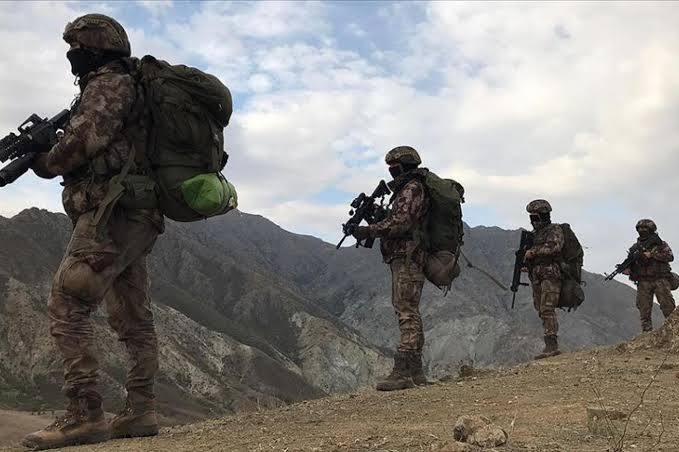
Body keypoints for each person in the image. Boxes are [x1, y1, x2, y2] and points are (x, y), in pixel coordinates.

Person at [23, 14, 163, 450]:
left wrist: (41, 158)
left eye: (77, 48)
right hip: (134, 214)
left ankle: (85, 415)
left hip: (110, 215)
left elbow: (78, 147)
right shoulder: (128, 85)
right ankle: (140, 410)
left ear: (97, 48)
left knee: (68, 305)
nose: (71, 57)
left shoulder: (109, 85)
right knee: (132, 317)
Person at [351, 146, 429, 391]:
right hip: (406, 257)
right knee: (409, 311)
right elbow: (400, 218)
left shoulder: (412, 188)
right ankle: (415, 371)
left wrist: (369, 230)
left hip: (408, 257)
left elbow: (402, 222)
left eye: (393, 168)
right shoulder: (410, 190)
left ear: (402, 166)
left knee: (406, 311)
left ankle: (403, 371)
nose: (391, 172)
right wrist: (378, 216)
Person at [523, 199, 563, 359]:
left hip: (550, 274)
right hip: (537, 275)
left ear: (544, 216)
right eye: (531, 218)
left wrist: (534, 251)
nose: (533, 221)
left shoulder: (554, 230)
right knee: (540, 309)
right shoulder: (533, 235)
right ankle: (549, 344)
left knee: (547, 308)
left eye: (536, 217)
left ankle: (551, 345)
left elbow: (554, 247)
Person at [623, 219, 675, 332]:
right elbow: (631, 263)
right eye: (640, 228)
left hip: (660, 279)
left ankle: (674, 331)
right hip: (643, 282)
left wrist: (652, 254)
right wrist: (627, 269)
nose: (642, 230)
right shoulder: (635, 248)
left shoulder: (660, 244)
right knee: (644, 309)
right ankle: (647, 334)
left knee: (668, 306)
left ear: (651, 230)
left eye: (645, 228)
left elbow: (670, 257)